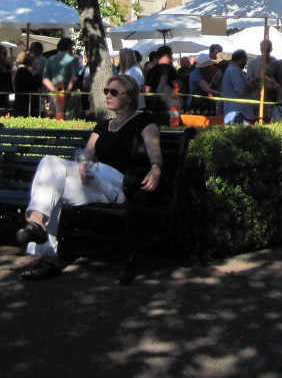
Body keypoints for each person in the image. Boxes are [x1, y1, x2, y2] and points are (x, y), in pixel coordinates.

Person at [15, 74, 163, 280]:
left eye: (114, 92)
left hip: (117, 184)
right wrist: (83, 167)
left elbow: (153, 148)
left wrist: (155, 169)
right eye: (106, 91)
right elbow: (87, 155)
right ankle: (38, 226)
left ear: (129, 97)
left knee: (51, 185)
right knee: (49, 166)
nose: (108, 96)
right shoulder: (102, 125)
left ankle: (41, 241)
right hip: (93, 178)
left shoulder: (144, 120)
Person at [143, 45, 181, 121]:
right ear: (167, 56)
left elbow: (146, 89)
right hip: (170, 105)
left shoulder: (151, 70)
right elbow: (177, 85)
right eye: (171, 55)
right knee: (175, 127)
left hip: (155, 106)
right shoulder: (170, 69)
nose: (172, 58)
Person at [221, 49, 252, 124]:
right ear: (242, 60)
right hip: (235, 114)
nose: (246, 63)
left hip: (238, 113)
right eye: (245, 60)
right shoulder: (233, 71)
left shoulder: (235, 70)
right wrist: (252, 88)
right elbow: (242, 91)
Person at [13, 49, 40, 117]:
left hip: (20, 104)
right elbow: (36, 85)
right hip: (25, 106)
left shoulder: (19, 72)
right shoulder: (25, 72)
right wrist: (36, 72)